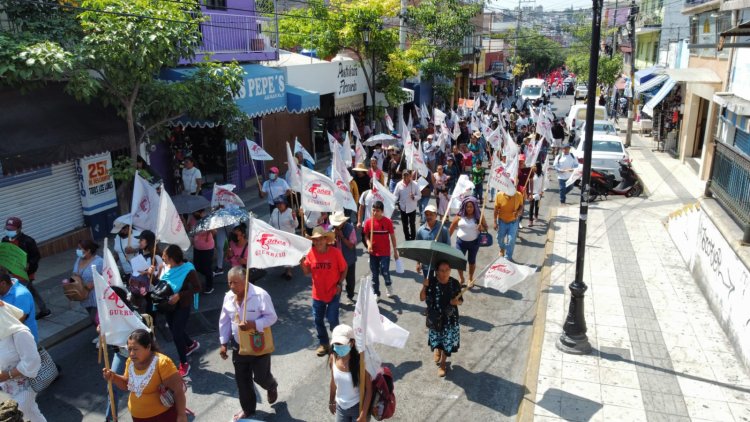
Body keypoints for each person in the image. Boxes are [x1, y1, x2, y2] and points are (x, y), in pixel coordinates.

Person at [219, 266, 279, 421]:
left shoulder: (260, 295)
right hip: (239, 347)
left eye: (235, 283)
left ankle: (271, 385)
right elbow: (224, 321)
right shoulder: (228, 297)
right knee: (242, 381)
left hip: (258, 344)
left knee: (260, 377)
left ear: (245, 281)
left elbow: (272, 318)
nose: (232, 287)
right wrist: (223, 343)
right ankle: (248, 410)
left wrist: (253, 324)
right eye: (229, 283)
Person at [102, 329, 187, 422]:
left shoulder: (162, 363)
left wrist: (181, 415)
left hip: (162, 417)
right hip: (137, 418)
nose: (131, 353)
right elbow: (127, 384)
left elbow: (178, 391)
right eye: (129, 349)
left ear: (148, 347)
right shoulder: (130, 362)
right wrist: (113, 377)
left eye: (135, 349)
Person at [300, 227, 347, 356]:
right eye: (315, 240)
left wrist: (339, 283)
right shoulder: (311, 253)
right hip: (318, 294)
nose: (318, 242)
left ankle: (337, 343)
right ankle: (324, 344)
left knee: (332, 319)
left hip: (333, 292)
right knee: (318, 320)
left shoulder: (335, 253)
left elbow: (344, 268)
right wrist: (300, 260)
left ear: (326, 240)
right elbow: (306, 272)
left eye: (320, 239)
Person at [156, 245, 202, 377]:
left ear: (173, 258)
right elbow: (160, 286)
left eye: (165, 258)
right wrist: (151, 274)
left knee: (176, 334)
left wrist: (180, 295)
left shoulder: (188, 269)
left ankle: (184, 363)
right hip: (167, 305)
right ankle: (191, 344)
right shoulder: (163, 267)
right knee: (176, 330)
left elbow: (197, 287)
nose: (163, 260)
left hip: (182, 306)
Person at [0, 301, 46, 422]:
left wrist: (6, 375)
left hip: (26, 386)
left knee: (19, 414)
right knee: (33, 415)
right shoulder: (2, 334)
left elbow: (32, 363)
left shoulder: (20, 333)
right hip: (8, 386)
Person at [419, 261, 463, 378]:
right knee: (437, 340)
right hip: (435, 317)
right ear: (437, 271)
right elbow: (422, 298)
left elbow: (461, 301)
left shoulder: (454, 283)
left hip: (450, 319)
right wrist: (424, 286)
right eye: (442, 270)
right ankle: (437, 350)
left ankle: (443, 364)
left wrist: (456, 301)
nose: (445, 273)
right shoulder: (431, 282)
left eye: (447, 270)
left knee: (447, 342)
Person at [2, 217, 48, 320]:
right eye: (8, 228)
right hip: (12, 273)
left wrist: (29, 265)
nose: (9, 231)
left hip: (25, 274)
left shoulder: (28, 241)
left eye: (12, 229)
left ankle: (24, 316)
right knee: (31, 291)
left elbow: (36, 256)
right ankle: (44, 310)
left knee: (20, 295)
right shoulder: (5, 240)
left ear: (19, 229)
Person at [328, 324, 372, 422]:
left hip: (358, 408)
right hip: (340, 408)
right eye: (336, 344)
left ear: (352, 343)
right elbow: (333, 382)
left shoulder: (361, 363)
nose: (338, 347)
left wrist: (363, 415)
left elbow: (369, 390)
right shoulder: (333, 358)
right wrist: (331, 400)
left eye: (342, 344)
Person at [362, 201, 399, 299]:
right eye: (373, 210)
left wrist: (395, 251)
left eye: (377, 211)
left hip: (385, 252)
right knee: (374, 274)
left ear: (382, 211)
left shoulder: (388, 222)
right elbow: (365, 236)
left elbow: (392, 237)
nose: (375, 213)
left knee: (384, 271)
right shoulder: (368, 222)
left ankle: (388, 285)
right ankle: (376, 293)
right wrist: (369, 244)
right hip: (373, 253)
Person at [448, 197, 486, 286]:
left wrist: (482, 228)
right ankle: (461, 278)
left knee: (471, 261)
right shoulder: (459, 216)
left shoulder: (479, 217)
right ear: (464, 207)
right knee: (458, 261)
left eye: (471, 207)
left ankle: (470, 278)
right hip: (460, 243)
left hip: (474, 243)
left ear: (475, 207)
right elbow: (452, 227)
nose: (469, 209)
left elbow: (486, 227)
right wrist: (446, 240)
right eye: (467, 206)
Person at [0, 268, 38, 342]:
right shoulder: (2, 291)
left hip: (23, 340)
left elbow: (17, 322)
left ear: (3, 283)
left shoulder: (21, 295)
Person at [415, 205, 450, 279]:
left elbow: (448, 247)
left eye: (431, 214)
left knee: (440, 283)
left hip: (440, 263)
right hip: (426, 263)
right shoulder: (420, 230)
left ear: (436, 215)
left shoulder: (443, 229)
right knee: (429, 285)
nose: (429, 217)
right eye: (427, 214)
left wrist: (446, 264)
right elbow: (418, 248)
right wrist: (418, 263)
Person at [331, 212, 358, 306]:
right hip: (337, 260)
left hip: (348, 260)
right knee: (336, 280)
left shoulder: (350, 229)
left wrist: (342, 236)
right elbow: (329, 244)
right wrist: (333, 237)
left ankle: (350, 296)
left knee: (350, 280)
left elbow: (351, 246)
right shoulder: (332, 229)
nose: (336, 225)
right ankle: (336, 298)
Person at [74, 239, 104, 323]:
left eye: (80, 248)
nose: (78, 250)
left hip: (97, 296)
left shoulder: (99, 262)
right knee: (95, 318)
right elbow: (74, 273)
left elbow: (104, 276)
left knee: (95, 319)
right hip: (84, 296)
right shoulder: (79, 260)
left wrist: (93, 284)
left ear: (88, 250)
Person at [187, 209, 215, 294]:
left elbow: (214, 232)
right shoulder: (192, 219)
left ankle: (209, 286)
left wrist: (210, 229)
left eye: (196, 212)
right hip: (197, 247)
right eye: (194, 212)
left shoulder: (207, 219)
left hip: (207, 248)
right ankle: (209, 273)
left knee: (206, 267)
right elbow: (190, 230)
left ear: (201, 212)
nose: (194, 214)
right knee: (197, 266)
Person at [270, 196, 297, 279]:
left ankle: (288, 271)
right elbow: (271, 222)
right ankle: (286, 270)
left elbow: (295, 225)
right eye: (277, 204)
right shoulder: (275, 211)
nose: (279, 205)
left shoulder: (290, 212)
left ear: (285, 204)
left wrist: (294, 218)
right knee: (282, 254)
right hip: (278, 238)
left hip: (288, 237)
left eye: (281, 203)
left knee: (287, 254)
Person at [493, 187, 524, 261]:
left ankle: (508, 257)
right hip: (502, 221)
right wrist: (494, 222)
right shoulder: (499, 195)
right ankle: (502, 248)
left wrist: (518, 211)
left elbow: (521, 206)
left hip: (513, 222)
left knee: (511, 240)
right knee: (499, 238)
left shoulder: (518, 195)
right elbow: (496, 209)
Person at [393, 170, 421, 241]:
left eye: (407, 175)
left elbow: (419, 196)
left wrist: (414, 197)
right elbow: (395, 195)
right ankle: (407, 238)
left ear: (410, 176)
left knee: (412, 224)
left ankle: (413, 237)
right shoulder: (399, 184)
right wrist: (392, 202)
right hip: (403, 207)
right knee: (405, 225)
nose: (405, 177)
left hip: (412, 207)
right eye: (404, 175)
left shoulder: (415, 184)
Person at [112, 216, 140, 281]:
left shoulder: (138, 235)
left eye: (119, 231)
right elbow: (117, 252)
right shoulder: (117, 237)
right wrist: (111, 264)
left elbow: (150, 249)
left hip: (139, 272)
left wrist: (134, 250)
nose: (118, 233)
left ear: (127, 228)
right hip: (127, 273)